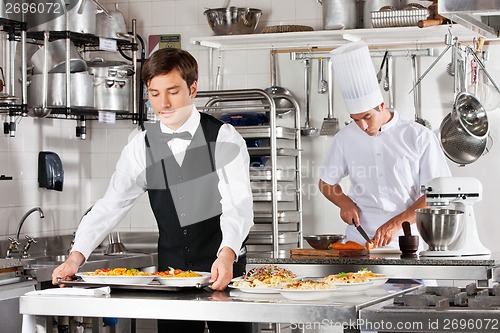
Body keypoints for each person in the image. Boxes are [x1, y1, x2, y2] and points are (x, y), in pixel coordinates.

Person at [52, 48, 254, 333]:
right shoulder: (140, 145)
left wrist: (227, 253)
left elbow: (238, 205)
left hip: (226, 269)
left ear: (192, 89)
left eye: (172, 91)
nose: (164, 104)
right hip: (171, 279)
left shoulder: (223, 137)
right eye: (154, 94)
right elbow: (112, 204)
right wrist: (76, 256)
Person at [318, 41, 451, 249]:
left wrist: (397, 223)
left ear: (381, 106)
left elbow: (437, 194)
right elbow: (326, 184)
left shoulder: (418, 137)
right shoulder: (345, 137)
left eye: (367, 117)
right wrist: (344, 202)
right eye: (355, 119)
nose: (362, 126)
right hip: (358, 241)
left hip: (407, 240)